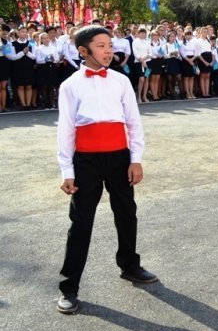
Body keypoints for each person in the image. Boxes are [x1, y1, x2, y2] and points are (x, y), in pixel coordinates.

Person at [55, 26, 157, 315]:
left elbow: (133, 122)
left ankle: (130, 265)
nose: (109, 50)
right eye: (101, 46)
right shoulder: (70, 85)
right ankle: (69, 287)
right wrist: (67, 170)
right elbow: (66, 129)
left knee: (126, 212)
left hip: (119, 157)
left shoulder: (121, 81)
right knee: (81, 221)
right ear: (83, 51)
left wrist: (135, 159)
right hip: (85, 160)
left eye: (110, 45)